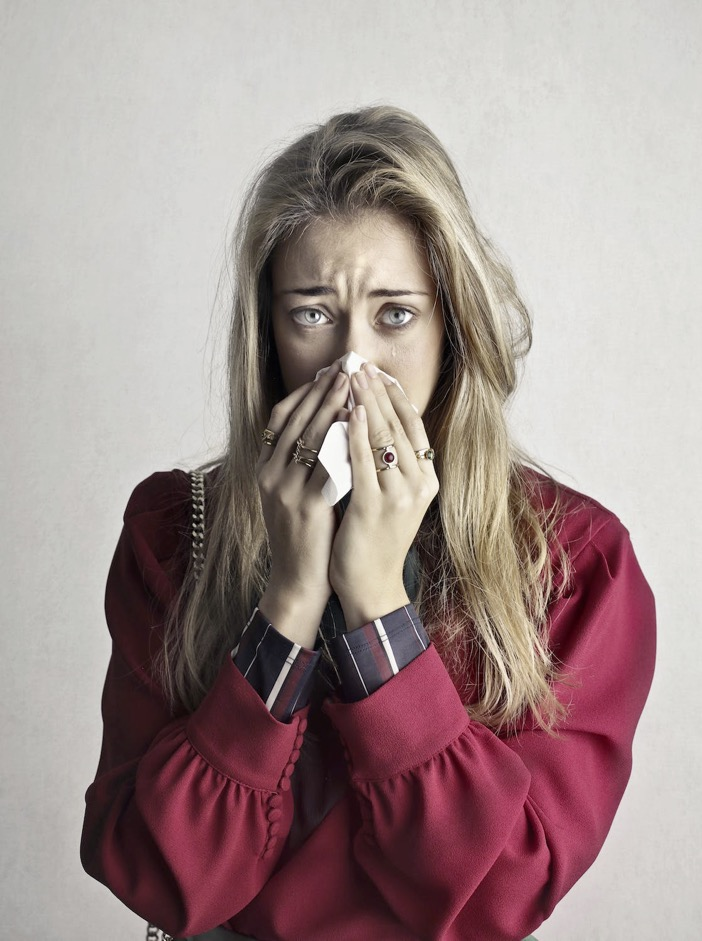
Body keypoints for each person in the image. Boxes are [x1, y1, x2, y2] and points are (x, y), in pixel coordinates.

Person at [79, 105, 656, 941]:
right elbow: (155, 871)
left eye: (395, 315)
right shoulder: (174, 529)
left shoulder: (575, 560)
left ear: (452, 325)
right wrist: (288, 600)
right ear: (269, 336)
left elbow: (501, 892)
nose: (354, 363)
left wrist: (378, 604)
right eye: (312, 313)